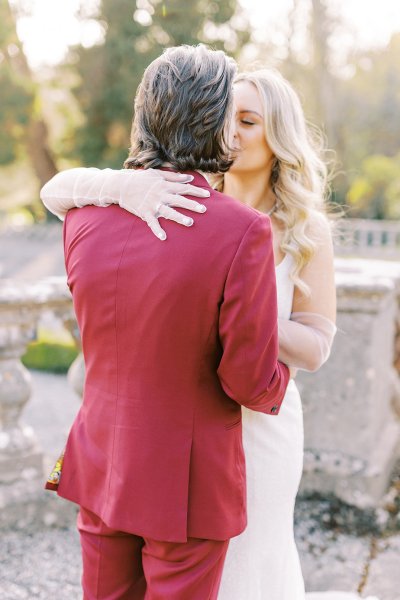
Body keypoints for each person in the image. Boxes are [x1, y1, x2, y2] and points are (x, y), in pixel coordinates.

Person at [42, 68, 379, 600]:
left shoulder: (299, 228)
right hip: (171, 422)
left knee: (249, 567)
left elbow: (316, 344)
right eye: (229, 119)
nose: (235, 132)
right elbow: (58, 191)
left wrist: (233, 309)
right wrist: (122, 185)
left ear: (278, 139)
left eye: (249, 122)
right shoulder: (164, 200)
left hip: (256, 428)